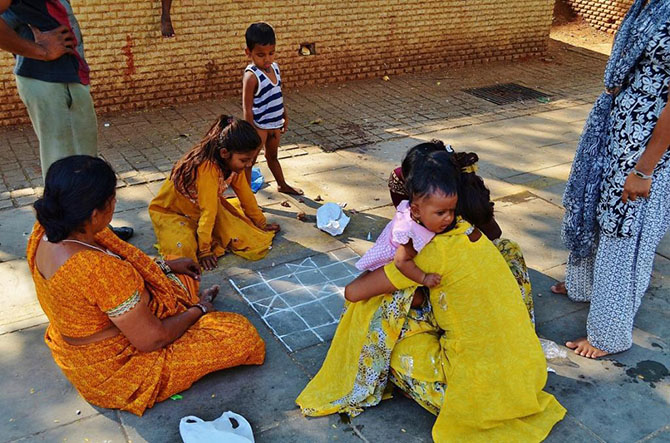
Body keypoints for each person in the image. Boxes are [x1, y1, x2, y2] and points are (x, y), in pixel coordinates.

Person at [297, 151, 566, 441]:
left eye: (446, 212)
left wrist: (396, 273)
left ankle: (389, 381)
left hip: (478, 393)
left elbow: (353, 292)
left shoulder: (428, 251)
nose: (446, 218)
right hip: (526, 378)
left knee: (384, 317)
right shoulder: (470, 231)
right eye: (440, 213)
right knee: (416, 298)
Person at [28, 155, 265, 416]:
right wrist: (200, 309)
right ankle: (190, 311)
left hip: (103, 326)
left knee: (181, 271)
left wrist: (165, 267)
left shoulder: (49, 229)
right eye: (112, 200)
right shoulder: (96, 270)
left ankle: (178, 301)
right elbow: (153, 340)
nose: (114, 204)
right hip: (116, 365)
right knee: (239, 334)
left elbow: (121, 265)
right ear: (95, 213)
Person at [555, 0, 670, 358]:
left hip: (644, 147)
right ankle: (586, 285)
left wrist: (644, 169)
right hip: (615, 134)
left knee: (626, 232)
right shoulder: (649, 4)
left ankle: (608, 334)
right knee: (597, 212)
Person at [0, 0, 133, 241]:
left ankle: (98, 234)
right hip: (47, 80)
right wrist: (41, 51)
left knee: (87, 166)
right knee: (66, 167)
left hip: (68, 78)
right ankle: (66, 242)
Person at [388, 140, 534, 321]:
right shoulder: (401, 181)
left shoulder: (463, 190)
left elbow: (492, 233)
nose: (447, 217)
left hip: (462, 267)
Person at [149, 116, 280, 271]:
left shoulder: (233, 165)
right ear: (224, 153)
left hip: (201, 208)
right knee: (183, 252)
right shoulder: (207, 169)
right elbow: (209, 211)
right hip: (172, 211)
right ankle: (197, 239)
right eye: (244, 160)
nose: (249, 165)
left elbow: (246, 195)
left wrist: (261, 223)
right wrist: (205, 250)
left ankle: (203, 235)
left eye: (251, 160)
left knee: (246, 236)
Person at [242, 22, 302, 195]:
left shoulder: (275, 68)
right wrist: (250, 130)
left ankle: (282, 184)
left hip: (275, 123)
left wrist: (284, 115)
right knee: (249, 162)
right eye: (261, 55)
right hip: (259, 126)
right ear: (249, 52)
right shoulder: (251, 76)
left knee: (272, 157)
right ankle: (246, 197)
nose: (267, 59)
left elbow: (278, 94)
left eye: (271, 53)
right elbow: (247, 107)